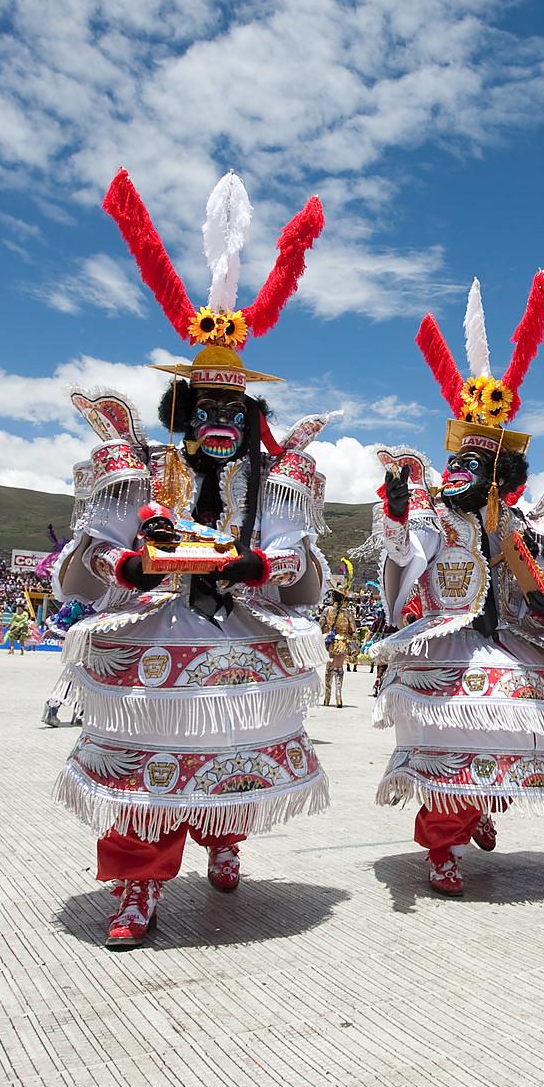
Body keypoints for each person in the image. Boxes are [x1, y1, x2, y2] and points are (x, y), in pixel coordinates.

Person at [50, 170, 332, 948]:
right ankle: (138, 883)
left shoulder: (276, 481)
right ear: (182, 411)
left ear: (250, 417)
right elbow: (93, 551)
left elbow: (297, 560)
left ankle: (224, 834)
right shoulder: (141, 469)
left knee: (227, 747)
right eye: (205, 407)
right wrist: (128, 569)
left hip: (238, 630)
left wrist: (258, 569)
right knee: (147, 761)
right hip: (154, 631)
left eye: (232, 409)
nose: (219, 420)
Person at [371, 275, 544, 896]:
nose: (459, 472)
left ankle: (478, 806)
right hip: (447, 642)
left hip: (498, 641)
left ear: (498, 479)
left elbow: (529, 580)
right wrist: (397, 518)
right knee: (452, 739)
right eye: (456, 462)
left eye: (474, 466)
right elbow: (408, 554)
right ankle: (443, 845)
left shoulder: (507, 523)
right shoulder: (434, 515)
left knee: (508, 728)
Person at [323, 630, 350, 708]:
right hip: (341, 640)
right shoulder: (344, 639)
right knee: (338, 673)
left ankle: (327, 698)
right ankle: (338, 698)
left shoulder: (329, 637)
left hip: (332, 640)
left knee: (329, 677)